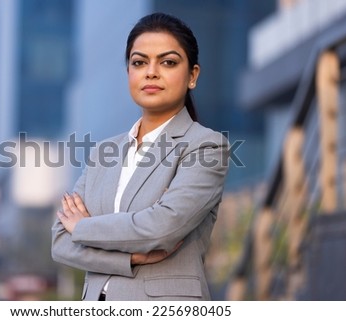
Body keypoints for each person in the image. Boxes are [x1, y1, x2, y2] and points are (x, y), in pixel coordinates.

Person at [51, 12, 229, 301]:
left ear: (193, 76)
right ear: (129, 73)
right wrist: (129, 258)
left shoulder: (205, 146)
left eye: (168, 62)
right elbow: (60, 241)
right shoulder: (104, 153)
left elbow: (159, 228)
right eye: (139, 62)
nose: (151, 72)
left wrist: (82, 227)